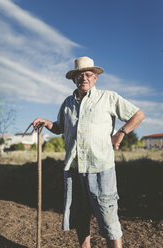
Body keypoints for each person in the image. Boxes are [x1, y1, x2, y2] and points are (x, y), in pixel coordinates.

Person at [33, 56, 145, 248]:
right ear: (73, 79)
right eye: (79, 75)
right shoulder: (67, 103)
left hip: (101, 168)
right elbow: (60, 127)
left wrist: (121, 133)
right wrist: (47, 123)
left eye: (88, 74)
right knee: (80, 216)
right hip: (74, 170)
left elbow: (138, 114)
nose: (83, 78)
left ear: (95, 78)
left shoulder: (109, 98)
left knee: (109, 219)